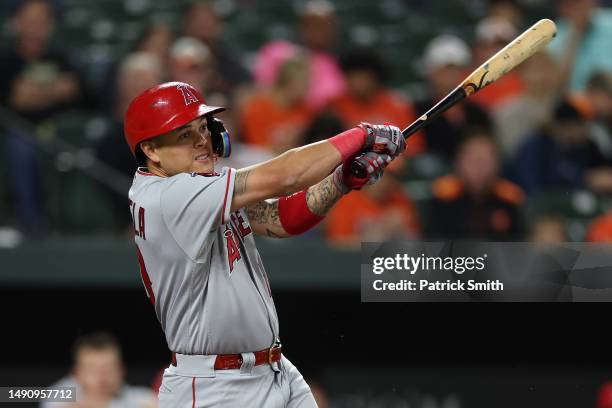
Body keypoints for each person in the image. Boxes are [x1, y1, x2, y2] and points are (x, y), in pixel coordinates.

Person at [123, 81, 405, 407]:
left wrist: (340, 180)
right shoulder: (168, 197)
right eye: (184, 135)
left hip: (273, 368)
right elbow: (284, 176)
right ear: (151, 150)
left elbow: (282, 218)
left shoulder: (196, 184)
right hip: (218, 387)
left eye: (203, 128)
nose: (202, 141)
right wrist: (363, 135)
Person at [0, 0, 82, 235]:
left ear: (51, 25)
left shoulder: (60, 57)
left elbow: (75, 90)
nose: (37, 26)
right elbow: (17, 98)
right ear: (17, 23)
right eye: (31, 20)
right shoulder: (6, 60)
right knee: (21, 146)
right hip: (18, 131)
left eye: (43, 21)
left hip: (59, 129)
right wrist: (55, 90)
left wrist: (33, 91)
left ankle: (73, 224)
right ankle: (32, 223)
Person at [426, 131, 524, 240]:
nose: (479, 168)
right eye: (473, 161)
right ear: (459, 162)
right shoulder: (444, 197)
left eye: (485, 161)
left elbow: (518, 247)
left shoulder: (509, 198)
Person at [417, 35, 492, 160]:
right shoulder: (417, 111)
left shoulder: (478, 113)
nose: (450, 76)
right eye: (444, 70)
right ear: (430, 73)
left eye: (455, 69)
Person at [41, 332, 157, 408]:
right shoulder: (59, 396)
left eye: (109, 369)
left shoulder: (144, 398)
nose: (102, 377)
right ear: (76, 373)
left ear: (121, 370)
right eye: (92, 370)